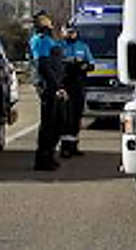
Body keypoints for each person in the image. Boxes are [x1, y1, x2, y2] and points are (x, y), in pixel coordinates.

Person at [29, 11, 67, 171]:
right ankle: (43, 158)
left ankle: (50, 154)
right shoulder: (41, 40)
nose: (50, 23)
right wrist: (56, 87)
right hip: (48, 86)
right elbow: (43, 66)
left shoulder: (49, 40)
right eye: (47, 21)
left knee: (58, 121)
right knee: (49, 123)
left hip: (54, 85)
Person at [57, 22, 95, 158]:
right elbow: (57, 65)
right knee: (66, 116)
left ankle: (73, 145)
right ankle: (64, 147)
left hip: (79, 85)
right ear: (63, 33)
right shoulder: (59, 47)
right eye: (68, 32)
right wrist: (68, 65)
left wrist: (83, 66)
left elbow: (91, 64)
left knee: (77, 115)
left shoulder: (83, 46)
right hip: (65, 85)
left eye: (73, 32)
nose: (71, 34)